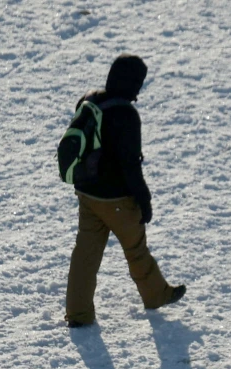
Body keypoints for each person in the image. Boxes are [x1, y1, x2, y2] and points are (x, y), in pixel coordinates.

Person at [64, 54, 185, 327]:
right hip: (117, 199)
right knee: (135, 248)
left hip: (86, 193)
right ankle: (156, 294)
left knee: (85, 253)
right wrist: (144, 199)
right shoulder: (125, 115)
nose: (139, 89)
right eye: (139, 82)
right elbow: (130, 165)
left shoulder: (90, 99)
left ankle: (78, 313)